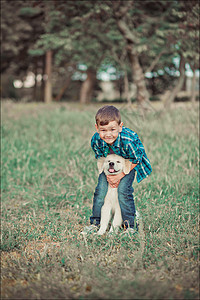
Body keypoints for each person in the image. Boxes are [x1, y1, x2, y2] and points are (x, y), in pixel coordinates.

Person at [82, 105, 152, 235]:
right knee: (100, 191)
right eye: (103, 130)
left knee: (123, 191)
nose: (108, 134)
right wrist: (108, 176)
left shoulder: (128, 140)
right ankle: (95, 224)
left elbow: (136, 158)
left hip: (128, 163)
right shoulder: (96, 140)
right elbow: (101, 158)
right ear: (97, 128)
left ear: (120, 127)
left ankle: (130, 226)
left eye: (112, 129)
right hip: (109, 165)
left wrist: (120, 175)